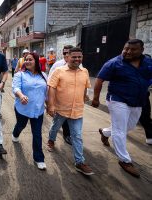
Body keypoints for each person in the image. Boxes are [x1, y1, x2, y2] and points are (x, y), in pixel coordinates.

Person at [92, 39, 152, 178]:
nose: (128, 52)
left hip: (138, 100)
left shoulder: (148, 62)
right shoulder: (114, 63)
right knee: (120, 130)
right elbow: (100, 80)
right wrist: (95, 98)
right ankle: (124, 160)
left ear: (141, 50)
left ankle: (106, 132)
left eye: (133, 49)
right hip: (117, 99)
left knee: (128, 126)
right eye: (126, 49)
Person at [47, 47, 94, 176]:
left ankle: (79, 162)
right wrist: (50, 105)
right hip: (61, 109)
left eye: (79, 57)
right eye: (74, 57)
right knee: (55, 128)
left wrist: (84, 98)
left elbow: (85, 87)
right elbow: (52, 88)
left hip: (77, 110)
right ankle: (51, 140)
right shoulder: (59, 71)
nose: (77, 59)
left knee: (77, 136)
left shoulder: (84, 72)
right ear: (68, 57)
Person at [12, 52, 47, 170]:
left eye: (30, 59)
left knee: (37, 134)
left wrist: (50, 105)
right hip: (22, 109)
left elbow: (46, 92)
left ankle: (39, 158)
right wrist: (21, 95)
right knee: (20, 125)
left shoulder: (43, 75)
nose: (27, 61)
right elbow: (15, 88)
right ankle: (15, 134)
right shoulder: (20, 75)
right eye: (26, 60)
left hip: (38, 110)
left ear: (36, 61)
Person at [48, 45, 74, 145]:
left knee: (70, 118)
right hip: (59, 97)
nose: (66, 55)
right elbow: (50, 81)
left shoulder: (78, 64)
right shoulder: (57, 65)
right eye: (64, 53)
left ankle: (67, 134)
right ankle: (61, 136)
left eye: (68, 53)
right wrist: (49, 101)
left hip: (72, 98)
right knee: (60, 118)